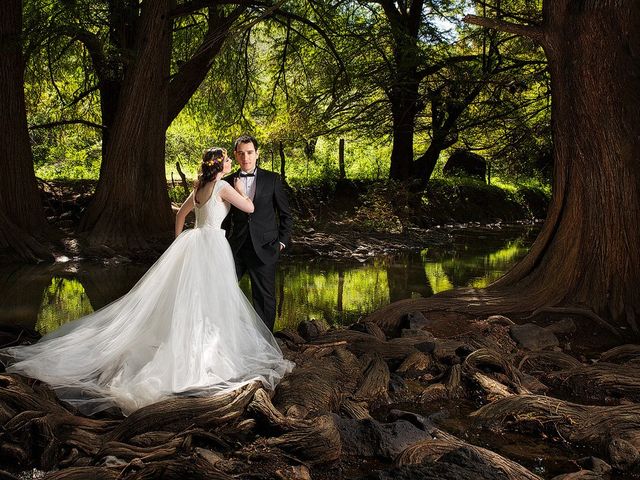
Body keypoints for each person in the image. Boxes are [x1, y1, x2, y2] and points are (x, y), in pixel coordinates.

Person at [0, 147, 294, 416]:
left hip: (195, 242)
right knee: (211, 297)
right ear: (220, 166)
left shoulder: (200, 187)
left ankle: (197, 342)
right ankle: (205, 352)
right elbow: (250, 209)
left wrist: (181, 239)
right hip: (213, 245)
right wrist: (242, 189)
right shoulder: (225, 186)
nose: (232, 162)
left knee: (191, 296)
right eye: (228, 159)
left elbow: (181, 214)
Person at [223, 135, 293, 332]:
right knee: (222, 290)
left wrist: (281, 243)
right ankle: (229, 338)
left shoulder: (272, 179)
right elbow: (224, 219)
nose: (246, 157)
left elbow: (286, 215)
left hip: (266, 247)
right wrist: (220, 244)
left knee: (264, 299)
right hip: (235, 248)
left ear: (257, 154)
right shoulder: (226, 182)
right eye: (241, 153)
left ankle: (265, 346)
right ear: (236, 155)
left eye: (250, 152)